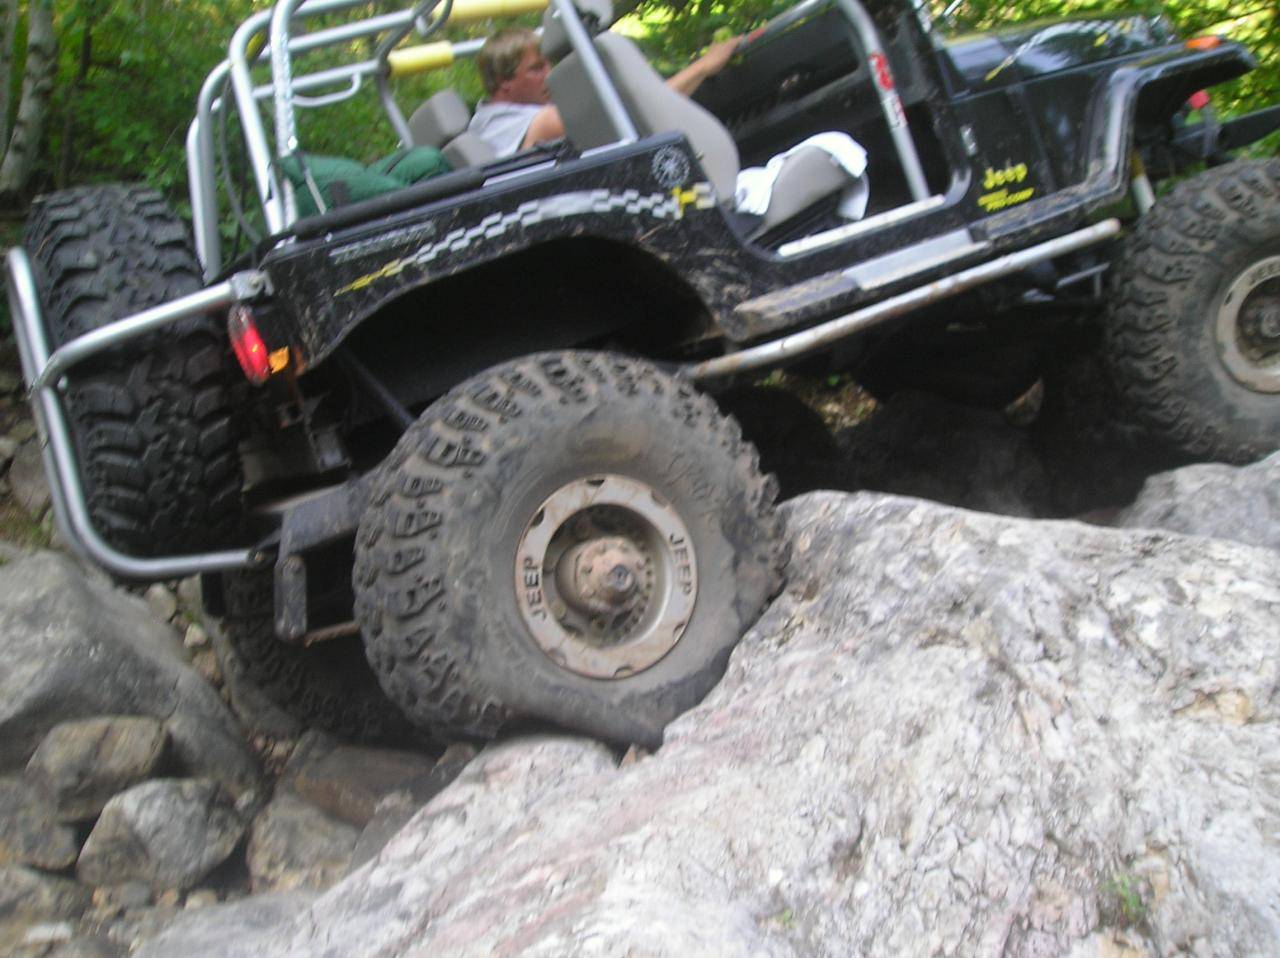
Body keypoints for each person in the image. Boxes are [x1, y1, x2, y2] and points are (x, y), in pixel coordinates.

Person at [469, 26, 741, 158]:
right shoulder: (536, 124)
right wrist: (704, 66)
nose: (548, 75)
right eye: (536, 69)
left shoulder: (485, 121)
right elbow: (636, 107)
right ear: (504, 82)